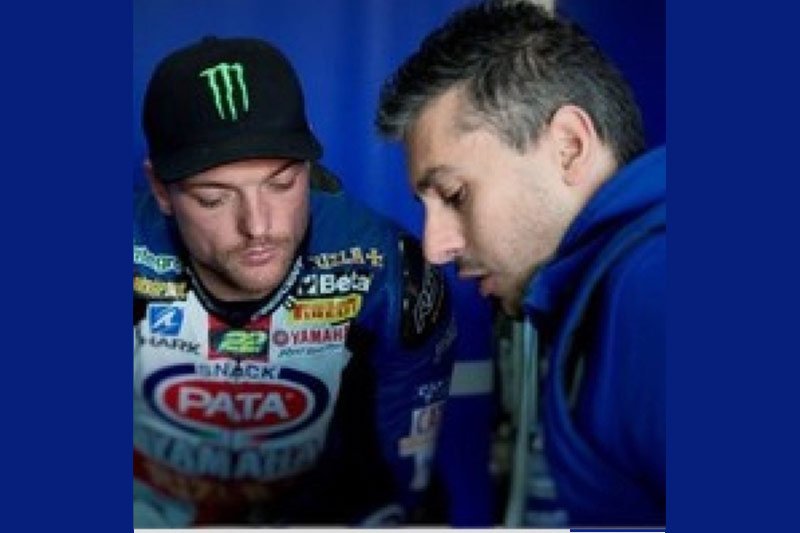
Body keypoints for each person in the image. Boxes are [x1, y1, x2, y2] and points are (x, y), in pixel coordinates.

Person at [133, 36, 458, 527]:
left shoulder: (385, 273)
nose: (258, 226)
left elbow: (400, 479)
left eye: (282, 184)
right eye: (214, 198)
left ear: (309, 167)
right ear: (161, 189)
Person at [376, 0, 665, 528]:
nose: (435, 248)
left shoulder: (653, 292)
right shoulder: (616, 290)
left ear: (569, 147)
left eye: (455, 195)